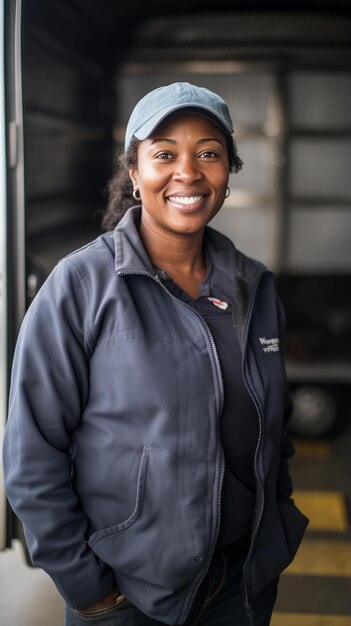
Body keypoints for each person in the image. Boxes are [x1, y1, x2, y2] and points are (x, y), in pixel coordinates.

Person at [3, 82, 308, 626]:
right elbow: (32, 451)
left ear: (227, 173)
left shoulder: (253, 285)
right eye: (164, 153)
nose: (187, 172)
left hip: (241, 588)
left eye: (209, 153)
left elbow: (273, 433)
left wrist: (276, 530)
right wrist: (86, 585)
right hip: (130, 597)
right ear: (136, 173)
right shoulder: (81, 285)